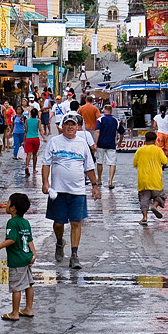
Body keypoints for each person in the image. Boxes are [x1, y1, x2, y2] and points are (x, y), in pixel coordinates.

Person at [41, 112, 101, 269]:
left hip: (78, 191)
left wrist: (95, 186)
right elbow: (46, 164)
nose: (69, 127)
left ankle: (74, 255)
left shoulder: (82, 144)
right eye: (67, 124)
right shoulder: (54, 142)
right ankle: (60, 242)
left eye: (72, 125)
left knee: (76, 222)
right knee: (58, 223)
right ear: (62, 126)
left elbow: (89, 167)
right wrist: (45, 182)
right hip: (58, 190)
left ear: (77, 127)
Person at [0, 192, 35, 321]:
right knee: (28, 284)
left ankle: (15, 312)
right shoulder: (25, 222)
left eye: (8, 202)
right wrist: (34, 254)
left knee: (16, 287)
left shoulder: (12, 222)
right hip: (26, 257)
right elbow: (29, 240)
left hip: (17, 260)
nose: (6, 204)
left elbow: (12, 239)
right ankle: (29, 308)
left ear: (13, 208)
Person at [133, 131, 168, 224]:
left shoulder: (140, 150)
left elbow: (134, 163)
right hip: (155, 179)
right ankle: (154, 206)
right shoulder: (158, 150)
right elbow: (165, 161)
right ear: (155, 140)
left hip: (143, 180)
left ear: (145, 140)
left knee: (144, 199)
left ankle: (144, 218)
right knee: (160, 196)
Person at [95, 105, 125, 189]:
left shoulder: (100, 120)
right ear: (111, 111)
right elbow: (122, 133)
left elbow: (97, 131)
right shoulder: (116, 120)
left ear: (104, 111)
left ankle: (99, 180)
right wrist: (120, 142)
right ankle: (110, 181)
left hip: (101, 144)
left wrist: (95, 143)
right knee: (112, 163)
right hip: (111, 144)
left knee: (99, 161)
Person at [23, 107, 41, 175]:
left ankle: (27, 166)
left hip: (28, 138)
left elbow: (26, 130)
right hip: (36, 138)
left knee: (28, 154)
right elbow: (40, 130)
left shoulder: (27, 121)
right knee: (35, 154)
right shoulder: (38, 121)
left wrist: (24, 140)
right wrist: (44, 137)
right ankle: (34, 169)